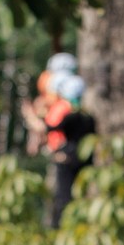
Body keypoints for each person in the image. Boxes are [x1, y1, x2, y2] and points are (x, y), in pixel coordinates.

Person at [44, 72, 95, 228]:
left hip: (67, 159)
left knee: (64, 197)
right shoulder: (89, 118)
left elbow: (50, 128)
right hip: (84, 160)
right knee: (80, 196)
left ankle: (62, 227)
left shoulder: (69, 116)